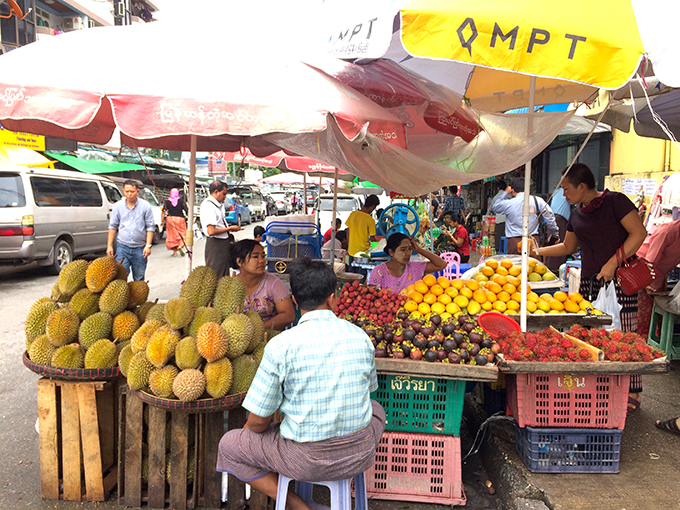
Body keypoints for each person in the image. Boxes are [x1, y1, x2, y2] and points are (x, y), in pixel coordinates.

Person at [217, 258, 385, 503]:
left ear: (294, 301)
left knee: (229, 445)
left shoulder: (280, 346)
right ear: (332, 296)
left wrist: (255, 432)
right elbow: (367, 393)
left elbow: (257, 423)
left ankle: (296, 504)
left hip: (305, 460)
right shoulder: (360, 337)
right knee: (377, 409)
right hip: (359, 454)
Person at [535, 164, 648, 410]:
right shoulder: (577, 214)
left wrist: (612, 264)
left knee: (624, 334)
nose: (563, 194)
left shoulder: (616, 202)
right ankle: (602, 385)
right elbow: (567, 248)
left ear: (582, 186)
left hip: (619, 280)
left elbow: (639, 233)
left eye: (566, 189)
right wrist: (536, 252)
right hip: (590, 283)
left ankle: (633, 392)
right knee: (593, 335)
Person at [231, 239, 295, 331]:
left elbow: (289, 315)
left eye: (263, 256)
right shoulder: (230, 286)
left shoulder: (273, 283)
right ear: (239, 262)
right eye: (255, 257)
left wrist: (258, 329)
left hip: (268, 338)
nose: (262, 261)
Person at [491, 177, 559, 255]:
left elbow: (495, 206)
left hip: (514, 242)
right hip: (532, 242)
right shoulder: (538, 201)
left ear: (512, 191)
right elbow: (549, 216)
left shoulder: (509, 203)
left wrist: (505, 192)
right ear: (528, 189)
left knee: (515, 266)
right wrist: (554, 233)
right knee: (533, 265)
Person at [107, 180, 155, 281]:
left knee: (139, 278)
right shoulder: (117, 206)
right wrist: (109, 245)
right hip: (122, 247)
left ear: (137, 191)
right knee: (120, 277)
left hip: (140, 249)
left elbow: (150, 227)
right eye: (127, 191)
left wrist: (148, 245)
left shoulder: (145, 206)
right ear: (123, 191)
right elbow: (113, 226)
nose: (129, 194)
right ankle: (125, 297)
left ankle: (137, 297)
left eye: (132, 191)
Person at [369, 233, 446, 293]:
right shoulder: (379, 271)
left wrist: (419, 249)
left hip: (414, 311)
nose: (408, 253)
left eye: (410, 249)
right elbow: (372, 296)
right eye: (403, 250)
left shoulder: (415, 267)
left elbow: (442, 264)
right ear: (391, 252)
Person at [200, 181, 242, 279]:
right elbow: (211, 231)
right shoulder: (209, 206)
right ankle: (215, 294)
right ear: (216, 192)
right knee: (216, 275)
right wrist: (230, 228)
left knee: (223, 273)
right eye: (223, 194)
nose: (225, 197)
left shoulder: (217, 206)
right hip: (216, 245)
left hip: (223, 243)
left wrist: (229, 229)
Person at [345, 194, 380, 274]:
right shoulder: (370, 220)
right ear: (372, 206)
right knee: (361, 275)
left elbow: (348, 231)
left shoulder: (353, 214)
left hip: (352, 250)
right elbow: (372, 238)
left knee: (351, 273)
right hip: (363, 252)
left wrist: (349, 245)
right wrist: (379, 244)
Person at [544, 187, 572, 271]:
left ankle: (550, 265)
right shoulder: (566, 191)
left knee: (553, 241)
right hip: (559, 219)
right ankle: (556, 267)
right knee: (560, 243)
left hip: (553, 218)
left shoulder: (557, 191)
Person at [162, 188, 188, 257]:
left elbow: (163, 212)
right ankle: (181, 245)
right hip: (180, 219)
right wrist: (191, 220)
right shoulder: (181, 201)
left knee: (172, 235)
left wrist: (162, 221)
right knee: (182, 233)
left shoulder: (167, 201)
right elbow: (186, 210)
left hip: (170, 219)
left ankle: (175, 252)